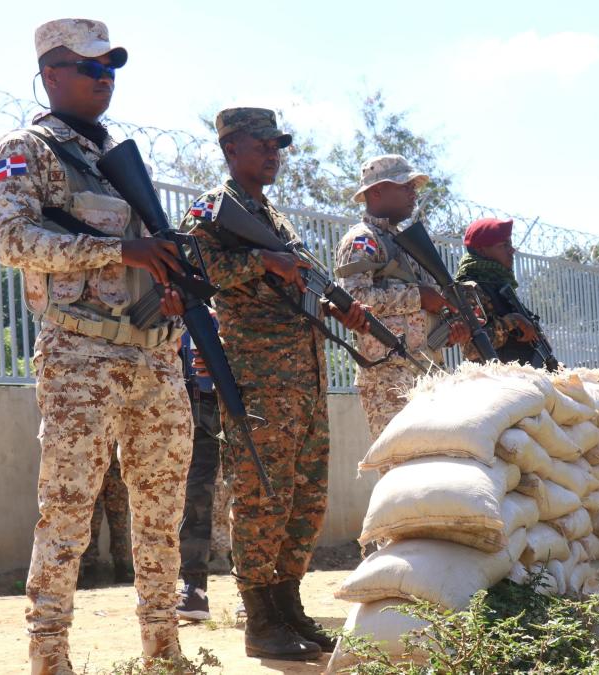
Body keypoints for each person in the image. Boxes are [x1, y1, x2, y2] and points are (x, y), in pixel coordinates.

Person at [0, 19, 192, 672]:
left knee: (160, 518)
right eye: (91, 68)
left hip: (154, 357)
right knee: (68, 513)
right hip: (80, 356)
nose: (105, 80)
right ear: (51, 73)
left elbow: (139, 265)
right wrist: (120, 249)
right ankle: (50, 658)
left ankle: (164, 653)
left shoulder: (121, 159)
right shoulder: (27, 150)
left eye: (111, 70)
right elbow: (14, 241)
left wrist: (165, 289)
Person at [180, 107, 370, 660]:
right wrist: (262, 260)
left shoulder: (273, 216)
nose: (274, 153)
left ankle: (288, 607)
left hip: (303, 378)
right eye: (263, 144)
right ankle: (259, 619)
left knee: (304, 500)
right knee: (263, 496)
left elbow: (294, 285)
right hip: (260, 377)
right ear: (231, 147)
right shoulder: (214, 210)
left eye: (277, 145)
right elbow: (195, 271)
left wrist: (340, 310)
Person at [334, 154, 470, 438]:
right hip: (389, 378)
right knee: (399, 469)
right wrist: (417, 296)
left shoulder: (405, 244)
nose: (413, 192)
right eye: (404, 185)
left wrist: (448, 326)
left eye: (413, 186)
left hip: (428, 371)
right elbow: (352, 296)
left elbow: (425, 308)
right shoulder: (362, 239)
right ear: (376, 191)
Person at [175, 308, 223, 621]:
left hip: (215, 410)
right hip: (176, 409)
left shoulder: (218, 315)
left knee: (202, 499)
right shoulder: (158, 307)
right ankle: (190, 588)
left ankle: (258, 593)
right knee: (187, 500)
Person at [453, 217, 541, 365]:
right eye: (504, 245)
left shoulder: (500, 284)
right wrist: (514, 321)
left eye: (510, 244)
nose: (511, 250)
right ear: (482, 250)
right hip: (493, 380)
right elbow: (471, 348)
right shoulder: (469, 287)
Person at [79, 450, 132, 588]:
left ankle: (121, 569)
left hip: (118, 474)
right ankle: (90, 570)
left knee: (119, 525)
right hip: (94, 473)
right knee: (92, 524)